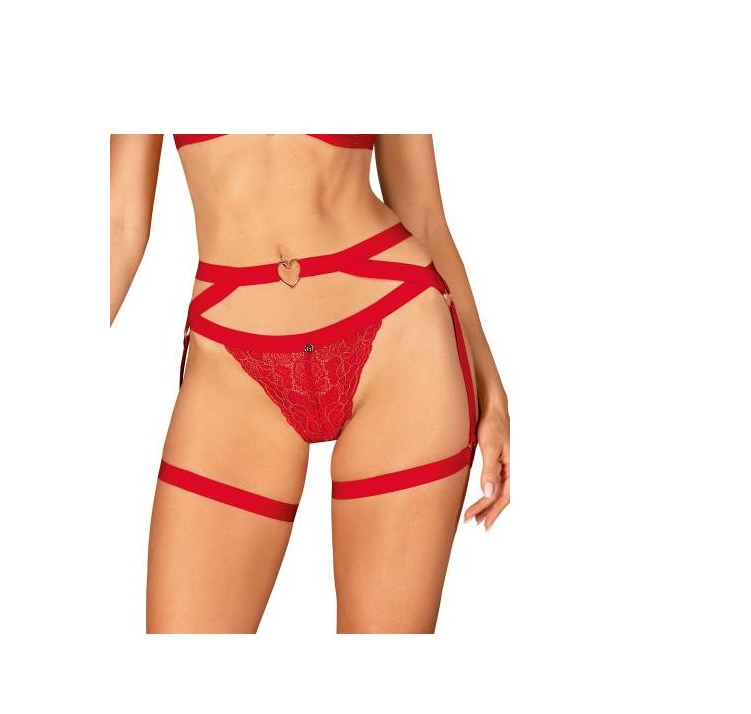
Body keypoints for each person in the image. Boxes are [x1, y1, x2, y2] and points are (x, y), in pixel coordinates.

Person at [110, 134, 510, 633]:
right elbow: (119, 225)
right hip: (233, 360)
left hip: (397, 334)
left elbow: (423, 213)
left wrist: (492, 392)